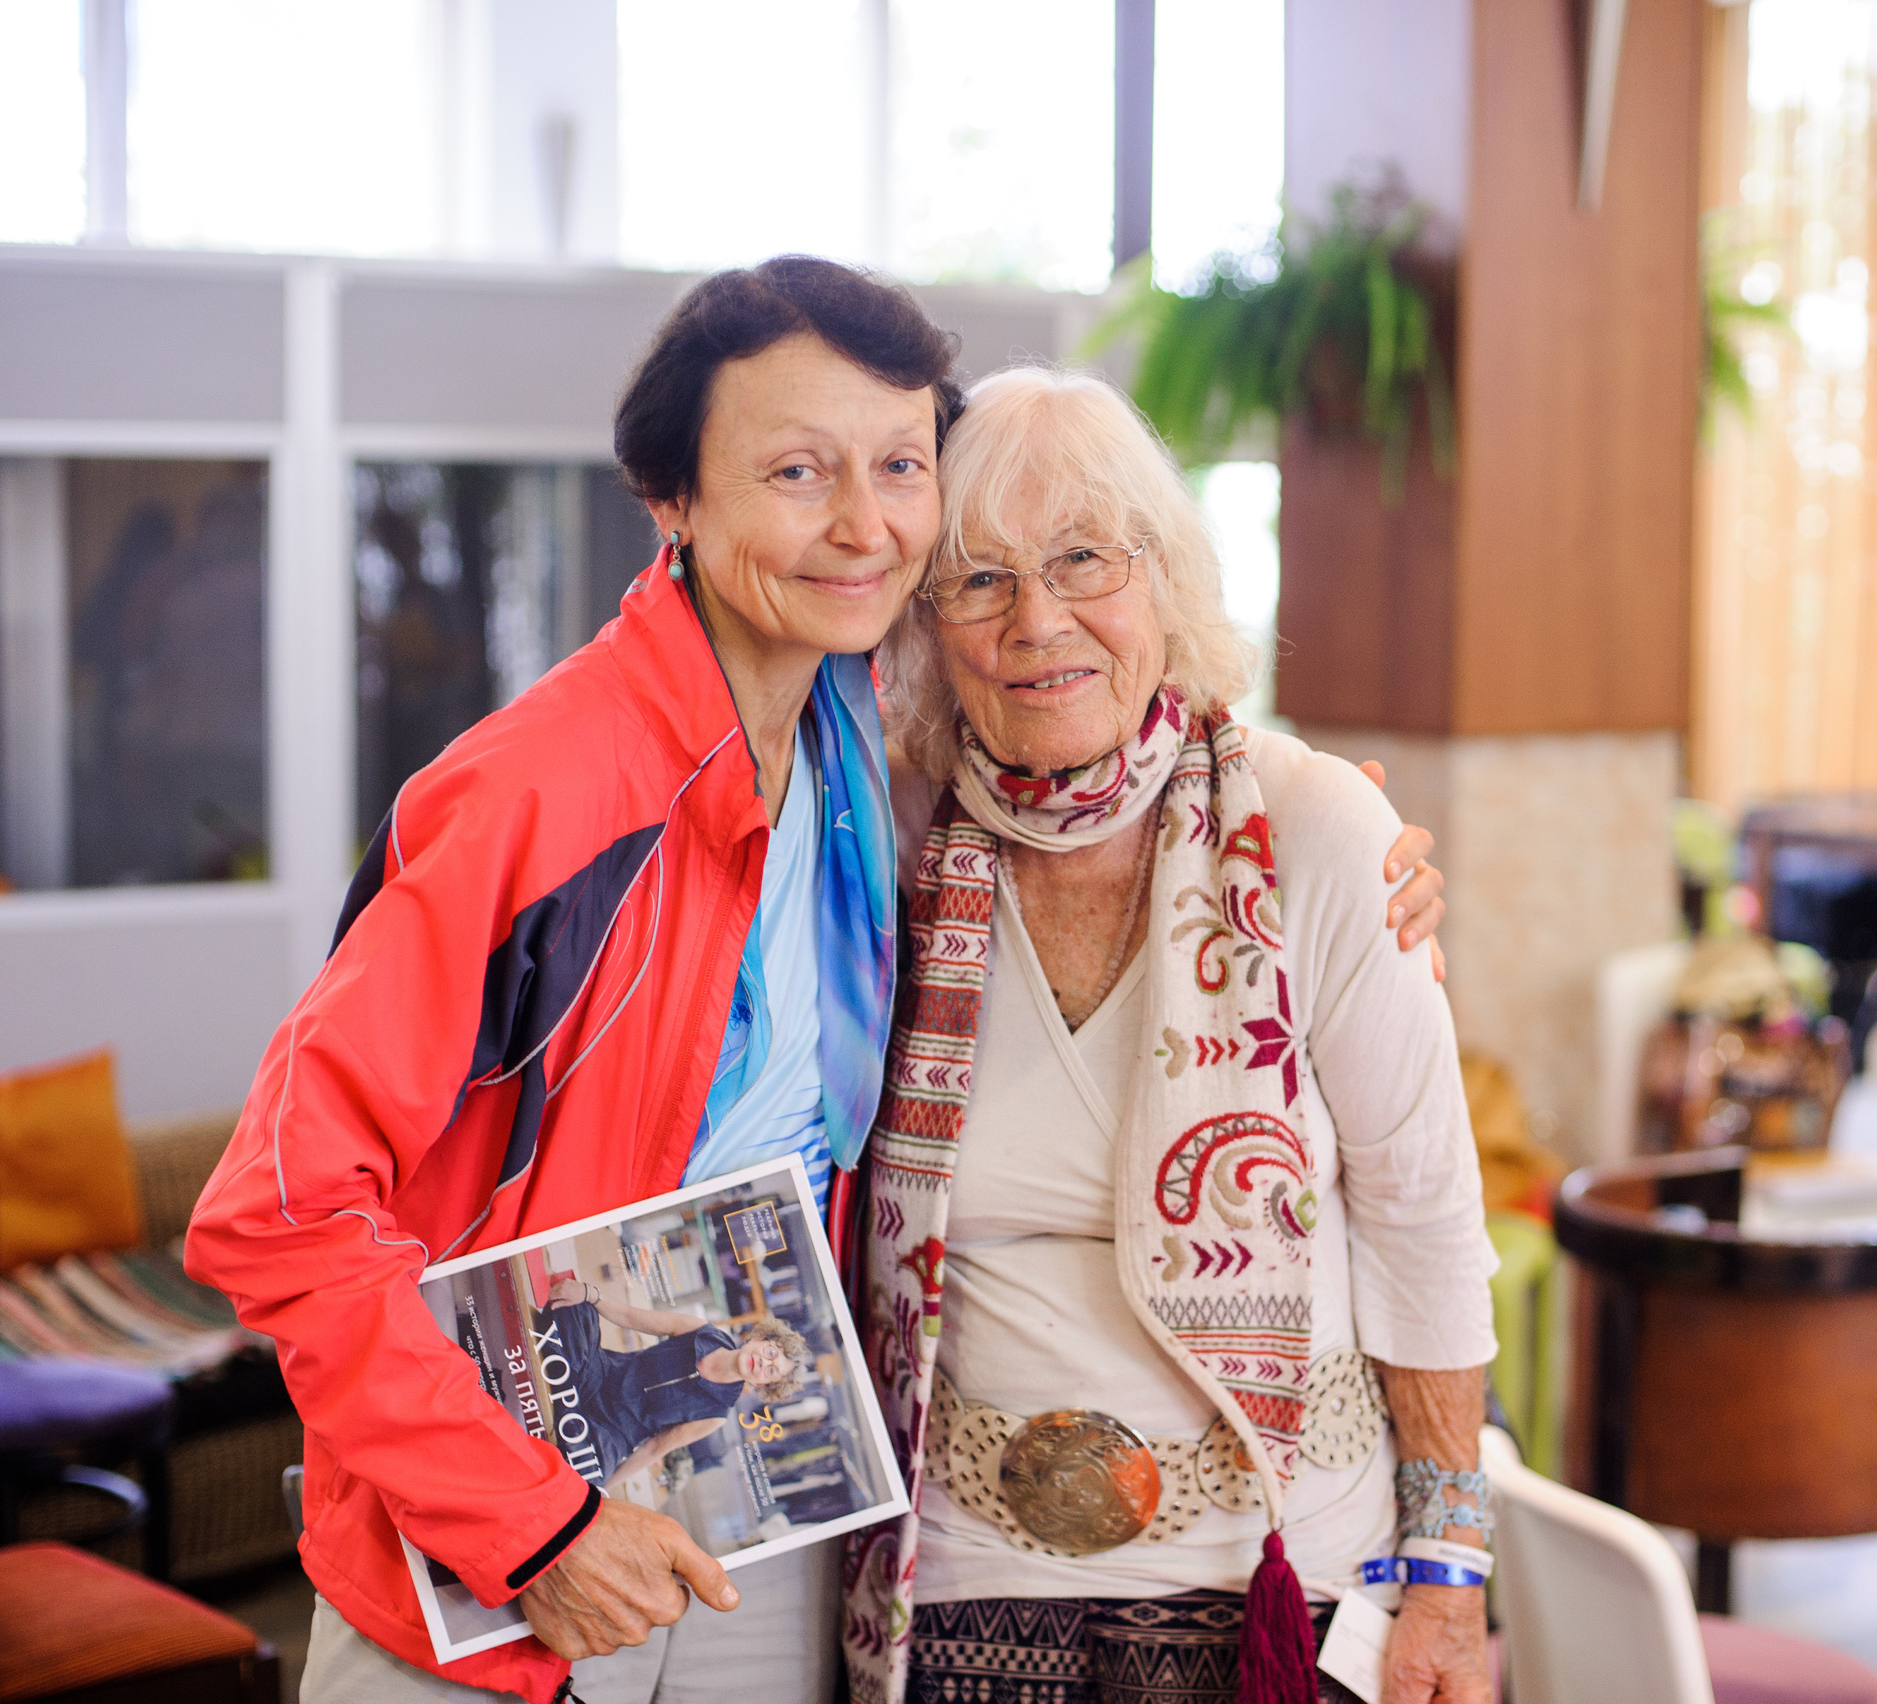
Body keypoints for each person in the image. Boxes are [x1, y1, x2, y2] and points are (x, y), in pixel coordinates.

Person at [183, 257, 1450, 1704]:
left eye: (901, 466)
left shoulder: (873, 749)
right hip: (506, 1549)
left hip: (773, 1529)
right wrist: (529, 1526)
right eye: (798, 471)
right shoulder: (535, 794)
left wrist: (1333, 839)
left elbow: (1112, 730)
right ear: (673, 497)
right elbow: (276, 1217)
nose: (865, 525)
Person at [847, 366, 1499, 1704]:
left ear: (1164, 577)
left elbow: (1423, 1217)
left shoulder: (1313, 831)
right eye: (979, 579)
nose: (1041, 621)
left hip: (1285, 1576)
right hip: (966, 1590)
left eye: (1085, 558)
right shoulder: (888, 851)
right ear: (926, 624)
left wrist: (1450, 1580)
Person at [536, 1281, 807, 1480]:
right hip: (600, 1374)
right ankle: (568, 1409)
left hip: (611, 1432)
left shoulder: (716, 1415)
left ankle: (565, 1396)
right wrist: (589, 1292)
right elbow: (631, 1318)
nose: (763, 1362)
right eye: (770, 1353)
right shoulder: (702, 1331)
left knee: (585, 1477)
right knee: (577, 1309)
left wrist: (604, 1488)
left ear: (761, 1385)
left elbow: (654, 1448)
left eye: (771, 1371)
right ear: (759, 1339)